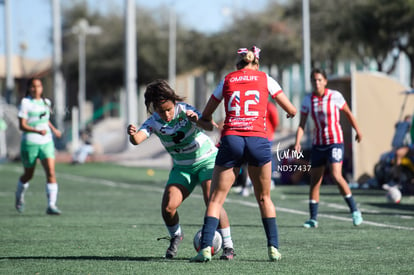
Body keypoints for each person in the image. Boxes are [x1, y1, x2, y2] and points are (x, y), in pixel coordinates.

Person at [190, 46, 297, 262]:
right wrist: (288, 113)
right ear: (256, 63)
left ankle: (204, 250)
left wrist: (204, 121)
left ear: (238, 64)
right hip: (258, 140)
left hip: (232, 139)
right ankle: (273, 248)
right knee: (264, 197)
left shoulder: (228, 80)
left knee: (216, 200)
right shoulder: (266, 79)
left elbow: (206, 115)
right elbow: (291, 109)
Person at [126, 79, 235, 260]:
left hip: (207, 160)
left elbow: (210, 126)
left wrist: (197, 120)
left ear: (174, 103)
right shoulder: (153, 121)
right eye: (161, 111)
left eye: (169, 109)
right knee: (168, 207)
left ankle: (228, 246)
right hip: (182, 168)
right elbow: (137, 140)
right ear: (154, 108)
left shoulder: (185, 110)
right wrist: (131, 134)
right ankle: (176, 236)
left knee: (212, 200)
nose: (167, 114)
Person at [294, 68, 363, 228]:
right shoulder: (307, 100)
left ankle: (354, 210)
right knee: (315, 181)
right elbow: (302, 124)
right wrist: (297, 142)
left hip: (335, 142)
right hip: (318, 145)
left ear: (325, 81)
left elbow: (348, 114)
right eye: (314, 80)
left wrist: (358, 131)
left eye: (319, 80)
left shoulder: (335, 96)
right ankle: (313, 218)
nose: (316, 83)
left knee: (336, 175)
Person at [15, 77, 62, 215]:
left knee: (51, 172)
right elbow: (22, 125)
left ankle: (51, 205)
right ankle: (19, 196)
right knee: (28, 175)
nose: (36, 89)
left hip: (46, 142)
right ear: (29, 88)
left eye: (39, 86)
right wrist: (37, 131)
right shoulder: (25, 103)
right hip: (30, 142)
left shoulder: (46, 102)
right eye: (33, 86)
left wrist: (53, 130)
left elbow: (45, 120)